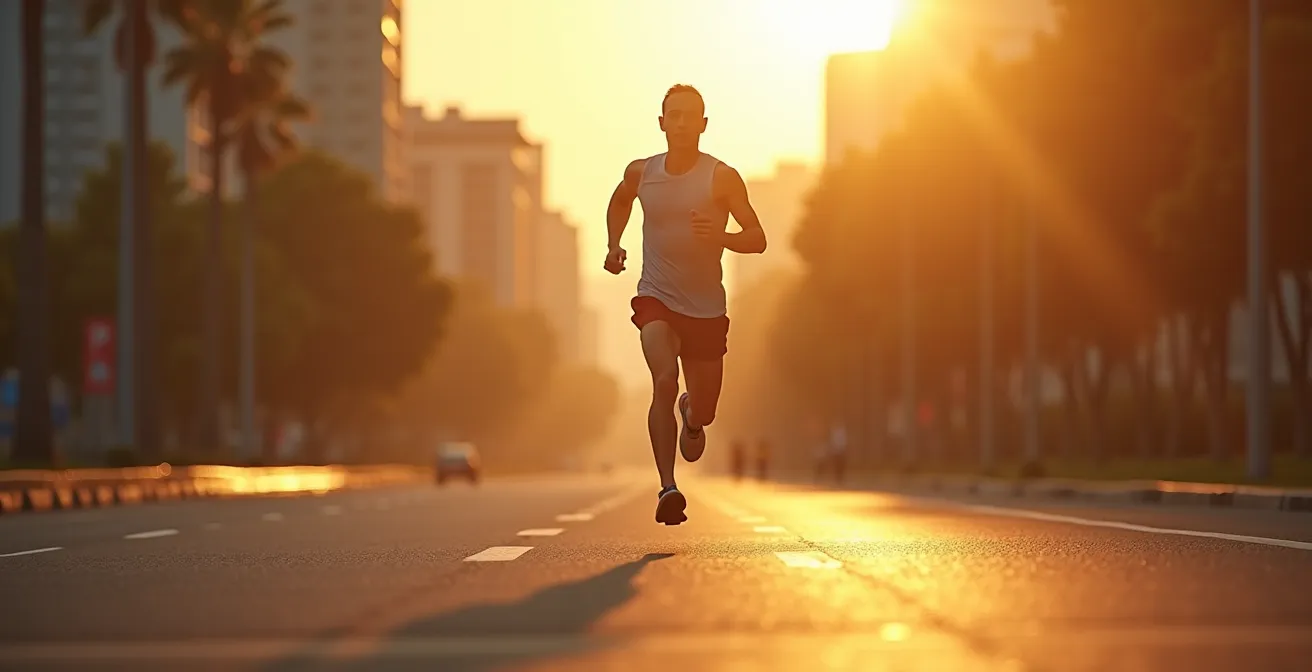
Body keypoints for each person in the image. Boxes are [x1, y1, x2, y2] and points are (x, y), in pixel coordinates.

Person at [603, 83, 767, 525]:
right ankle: (667, 487)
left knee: (706, 410)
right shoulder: (642, 173)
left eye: (688, 116)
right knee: (663, 378)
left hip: (706, 310)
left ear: (703, 124)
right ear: (661, 123)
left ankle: (691, 417)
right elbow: (620, 200)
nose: (680, 123)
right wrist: (614, 244)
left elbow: (758, 238)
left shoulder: (722, 178)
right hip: (655, 295)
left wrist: (722, 238)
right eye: (672, 115)